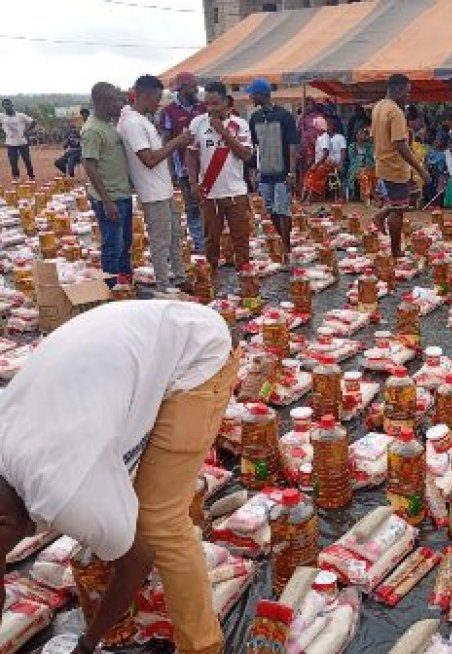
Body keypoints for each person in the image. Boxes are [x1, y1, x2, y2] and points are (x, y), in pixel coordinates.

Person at [0, 301, 238, 654]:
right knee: (134, 506)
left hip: (197, 354)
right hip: (134, 339)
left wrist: (88, 642)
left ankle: (202, 646)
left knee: (159, 522)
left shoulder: (63, 490)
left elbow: (136, 563)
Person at [117, 75, 193, 295]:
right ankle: (164, 286)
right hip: (153, 193)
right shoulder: (132, 122)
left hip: (163, 189)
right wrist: (176, 143)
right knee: (161, 242)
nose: (158, 104)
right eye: (156, 99)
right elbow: (149, 160)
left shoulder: (141, 119)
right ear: (145, 95)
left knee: (175, 237)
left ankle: (179, 278)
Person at [186, 81, 253, 276]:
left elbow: (245, 155)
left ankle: (246, 282)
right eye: (207, 104)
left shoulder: (240, 125)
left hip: (236, 193)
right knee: (210, 240)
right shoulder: (197, 122)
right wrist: (192, 183)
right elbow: (191, 155)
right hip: (209, 192)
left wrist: (222, 131)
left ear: (226, 102)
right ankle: (209, 281)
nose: (211, 109)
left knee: (241, 240)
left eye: (215, 103)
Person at [370, 74, 431, 257]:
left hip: (383, 163)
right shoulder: (395, 111)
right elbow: (399, 143)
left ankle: (381, 215)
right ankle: (396, 250)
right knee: (398, 210)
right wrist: (420, 169)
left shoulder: (378, 107)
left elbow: (376, 136)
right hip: (395, 166)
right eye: (407, 92)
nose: (408, 96)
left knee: (400, 204)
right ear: (397, 89)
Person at [81, 82, 134, 286]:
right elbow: (90, 166)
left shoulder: (110, 125)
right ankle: (112, 289)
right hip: (110, 198)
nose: (120, 104)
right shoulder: (93, 130)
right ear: (102, 102)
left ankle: (125, 284)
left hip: (122, 194)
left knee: (125, 243)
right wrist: (107, 201)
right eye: (115, 99)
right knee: (113, 246)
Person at [247, 78, 299, 254]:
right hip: (265, 172)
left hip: (283, 172)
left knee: (283, 209)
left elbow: (293, 144)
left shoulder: (284, 116)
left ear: (262, 94)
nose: (250, 97)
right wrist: (254, 170)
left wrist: (292, 172)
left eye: (252, 94)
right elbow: (254, 146)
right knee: (271, 210)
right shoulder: (254, 118)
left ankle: (286, 245)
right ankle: (283, 239)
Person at [158, 72, 207, 254]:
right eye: (193, 86)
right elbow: (165, 142)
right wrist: (170, 171)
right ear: (182, 88)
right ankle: (200, 244)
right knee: (192, 206)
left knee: (209, 204)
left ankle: (210, 240)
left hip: (207, 167)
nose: (196, 89)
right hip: (184, 169)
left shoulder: (203, 108)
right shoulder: (169, 112)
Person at [303, 117, 346, 201]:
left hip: (331, 163)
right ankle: (305, 197)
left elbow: (329, 153)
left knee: (315, 173)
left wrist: (340, 163)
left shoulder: (337, 137)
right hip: (324, 162)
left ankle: (309, 198)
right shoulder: (322, 137)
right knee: (309, 173)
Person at [1, 98, 37, 180]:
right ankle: (16, 177)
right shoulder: (2, 116)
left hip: (22, 142)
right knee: (13, 162)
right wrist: (3, 131)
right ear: (3, 107)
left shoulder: (20, 115)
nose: (7, 106)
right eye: (5, 105)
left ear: (12, 105)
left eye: (8, 104)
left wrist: (26, 132)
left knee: (27, 160)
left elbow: (33, 122)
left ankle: (31, 176)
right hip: (10, 143)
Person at [346, 127, 375, 203]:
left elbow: (371, 158)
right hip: (355, 168)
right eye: (360, 133)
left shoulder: (369, 146)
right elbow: (353, 160)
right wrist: (362, 165)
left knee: (374, 174)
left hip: (368, 167)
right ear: (356, 135)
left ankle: (373, 196)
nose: (362, 135)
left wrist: (367, 166)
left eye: (363, 133)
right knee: (364, 175)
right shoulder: (352, 146)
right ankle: (366, 197)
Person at [54, 111, 87, 177]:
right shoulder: (69, 135)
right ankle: (68, 173)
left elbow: (85, 146)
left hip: (80, 154)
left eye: (75, 128)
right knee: (57, 162)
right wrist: (66, 142)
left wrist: (79, 135)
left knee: (71, 158)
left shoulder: (82, 133)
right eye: (72, 128)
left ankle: (70, 175)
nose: (73, 129)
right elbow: (65, 146)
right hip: (70, 152)